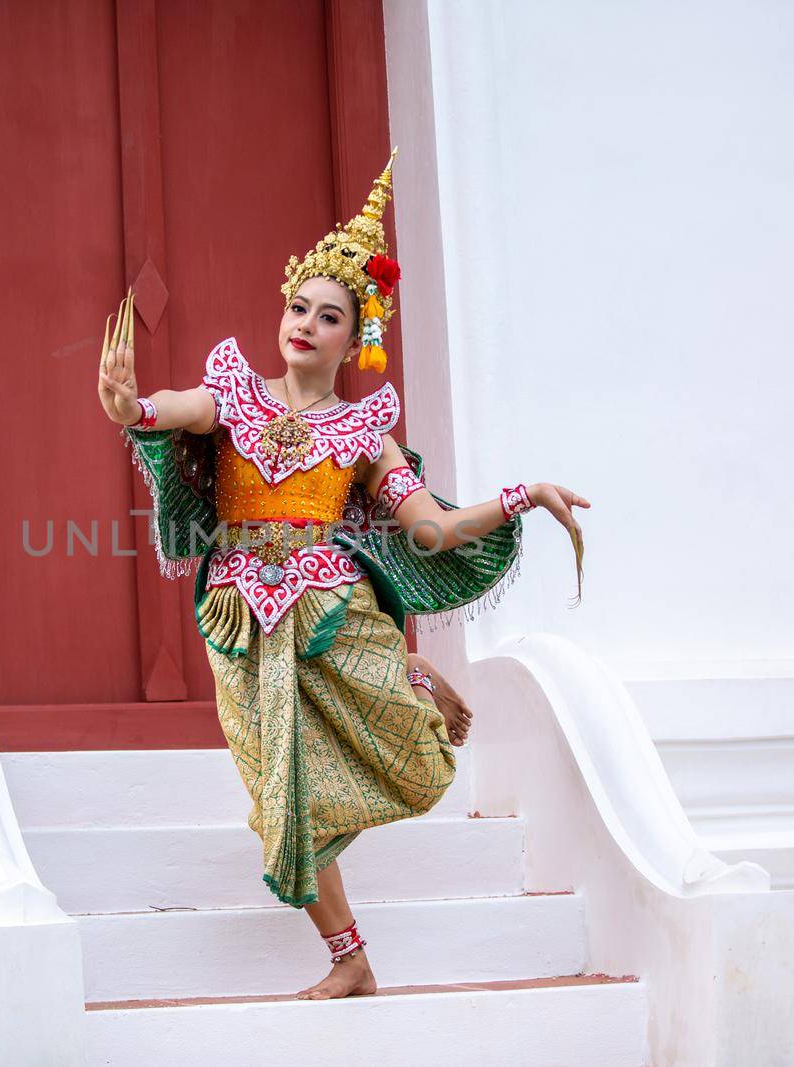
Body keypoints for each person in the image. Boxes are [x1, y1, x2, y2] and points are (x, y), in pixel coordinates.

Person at [94, 150, 590, 1000]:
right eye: (298, 306)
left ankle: (349, 944)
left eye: (328, 316)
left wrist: (522, 495)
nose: (304, 323)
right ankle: (352, 955)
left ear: (352, 336)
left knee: (316, 784)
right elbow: (174, 407)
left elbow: (429, 526)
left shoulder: (365, 431)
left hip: (332, 608)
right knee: (277, 792)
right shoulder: (235, 395)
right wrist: (134, 408)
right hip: (242, 616)